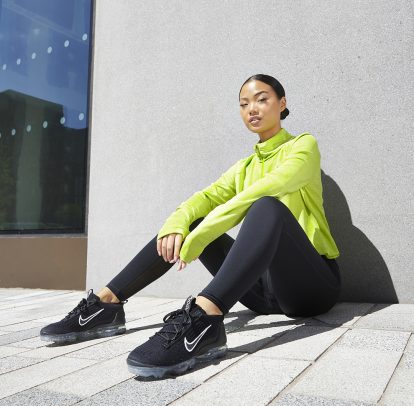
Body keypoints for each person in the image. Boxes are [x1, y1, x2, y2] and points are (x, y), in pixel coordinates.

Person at [40, 74, 341, 379]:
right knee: (190, 221)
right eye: (244, 104)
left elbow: (269, 187)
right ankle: (106, 304)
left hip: (310, 289)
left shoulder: (303, 146)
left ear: (282, 103)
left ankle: (205, 318)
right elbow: (204, 198)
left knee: (266, 206)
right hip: (261, 294)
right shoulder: (244, 167)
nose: (252, 108)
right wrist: (179, 224)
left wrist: (204, 234)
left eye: (262, 99)